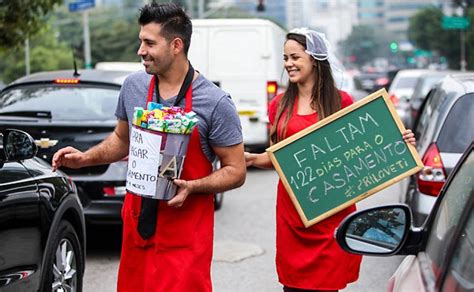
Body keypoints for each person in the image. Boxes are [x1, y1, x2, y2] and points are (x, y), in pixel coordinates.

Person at [52, 2, 246, 291]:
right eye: (140, 40)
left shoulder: (215, 102)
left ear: (176, 45)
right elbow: (121, 139)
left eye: (149, 42)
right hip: (137, 230)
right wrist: (85, 158)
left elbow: (236, 169)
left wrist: (194, 186)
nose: (140, 50)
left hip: (184, 238)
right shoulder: (133, 86)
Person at [245, 28, 416, 292]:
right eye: (285, 58)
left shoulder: (341, 101)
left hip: (333, 212)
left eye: (295, 57)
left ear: (314, 59)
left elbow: (368, 149)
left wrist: (400, 142)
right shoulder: (279, 104)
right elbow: (279, 157)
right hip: (294, 212)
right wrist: (253, 159)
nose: (288, 64)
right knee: (292, 287)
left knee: (328, 285)